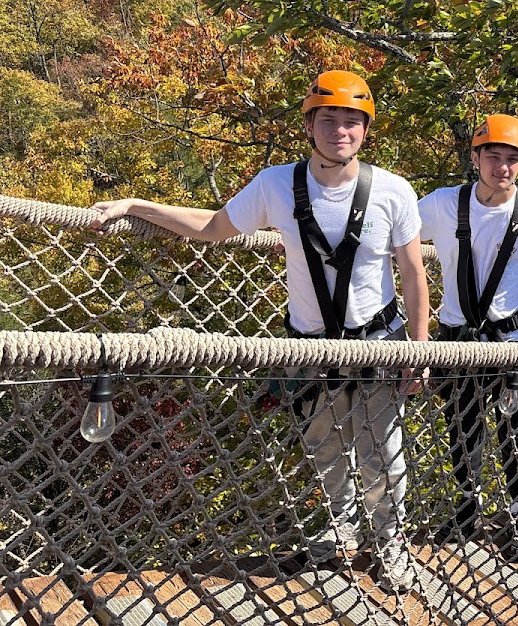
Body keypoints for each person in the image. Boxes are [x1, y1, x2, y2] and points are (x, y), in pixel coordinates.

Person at [90, 70, 430, 594]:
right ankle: (337, 540)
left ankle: (391, 549)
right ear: (310, 124)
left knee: (383, 453)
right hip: (308, 345)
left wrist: (420, 348)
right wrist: (136, 206)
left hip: (379, 343)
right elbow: (213, 228)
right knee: (324, 447)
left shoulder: (392, 191)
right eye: (330, 119)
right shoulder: (276, 184)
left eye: (351, 121)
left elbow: (412, 273)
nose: (341, 130)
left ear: (366, 129)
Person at [417, 114, 518, 564]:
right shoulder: (440, 205)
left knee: (515, 433)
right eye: (492, 155)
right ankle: (467, 507)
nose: (502, 166)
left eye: (512, 159)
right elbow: (390, 238)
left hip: (512, 341)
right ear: (474, 157)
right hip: (456, 341)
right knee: (462, 428)